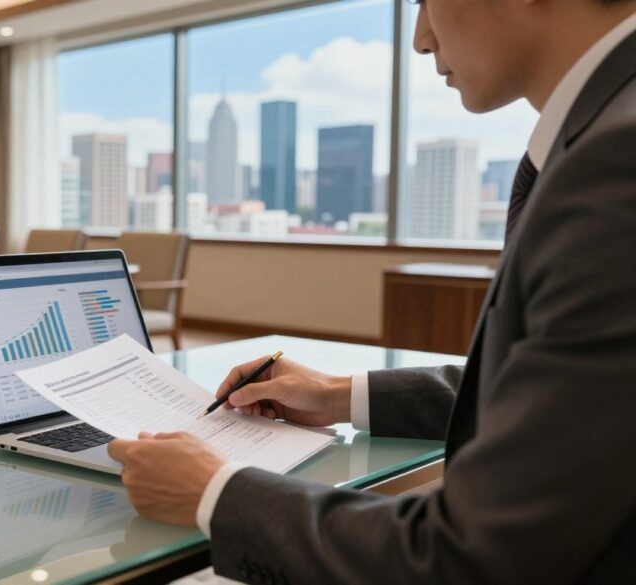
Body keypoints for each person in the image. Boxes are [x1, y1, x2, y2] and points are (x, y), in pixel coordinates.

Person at [107, 0, 636, 582]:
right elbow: (555, 403)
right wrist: (337, 394)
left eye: (423, 1)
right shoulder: (602, 133)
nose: (420, 39)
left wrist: (213, 492)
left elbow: (471, 559)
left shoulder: (616, 164)